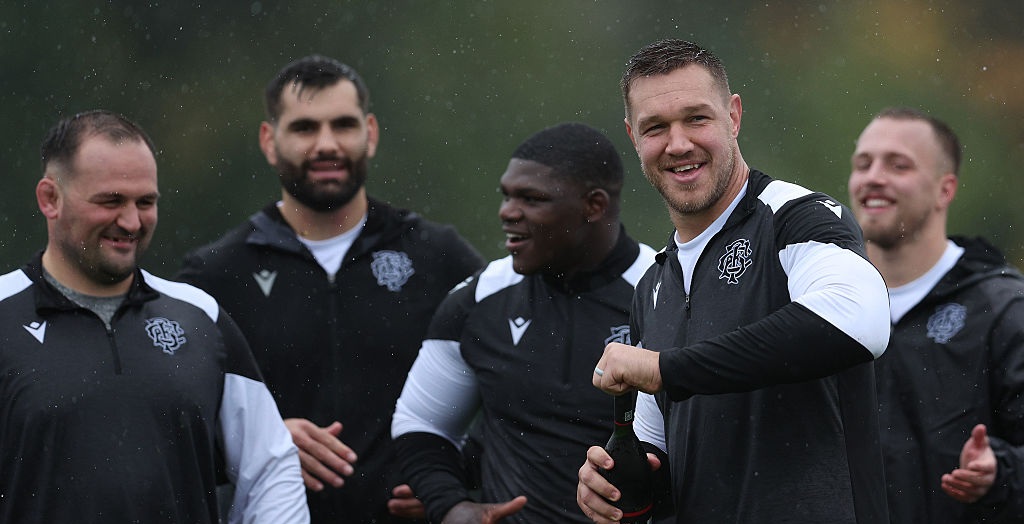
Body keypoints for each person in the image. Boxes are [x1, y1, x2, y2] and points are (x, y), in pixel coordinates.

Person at [576, 39, 892, 523]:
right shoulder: (653, 284)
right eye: (655, 127)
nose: (678, 144)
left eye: (696, 118)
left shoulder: (796, 217)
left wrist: (668, 368)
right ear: (633, 136)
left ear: (734, 116)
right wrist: (615, 486)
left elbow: (861, 322)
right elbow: (659, 456)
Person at [177, 55, 485, 523]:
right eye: (304, 128)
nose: (326, 144)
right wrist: (255, 440)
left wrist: (452, 478)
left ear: (371, 133)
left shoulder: (438, 257)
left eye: (343, 125)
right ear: (269, 141)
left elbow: (519, 384)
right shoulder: (216, 275)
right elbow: (169, 418)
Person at [0, 110, 308, 523]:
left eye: (145, 202)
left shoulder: (200, 317)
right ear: (50, 199)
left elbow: (270, 466)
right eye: (111, 201)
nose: (131, 222)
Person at [389, 122, 657, 523]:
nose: (507, 212)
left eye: (532, 199)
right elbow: (421, 422)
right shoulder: (479, 298)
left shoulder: (662, 293)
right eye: (507, 196)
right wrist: (450, 505)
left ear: (594, 206)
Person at [848, 106, 1024, 523]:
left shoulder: (1003, 310)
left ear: (945, 190)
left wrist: (999, 473)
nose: (874, 177)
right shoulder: (824, 304)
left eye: (898, 165)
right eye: (863, 163)